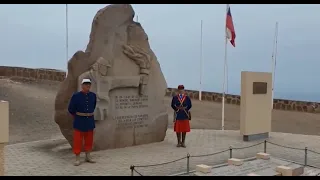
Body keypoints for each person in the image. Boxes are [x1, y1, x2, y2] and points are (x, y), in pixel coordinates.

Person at [68, 78, 97, 166]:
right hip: (79, 120)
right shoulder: (76, 96)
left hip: (90, 120)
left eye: (89, 84)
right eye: (86, 84)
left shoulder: (93, 95)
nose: (88, 85)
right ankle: (77, 158)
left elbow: (94, 105)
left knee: (89, 139)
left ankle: (88, 156)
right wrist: (77, 116)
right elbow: (71, 109)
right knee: (78, 140)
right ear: (82, 85)